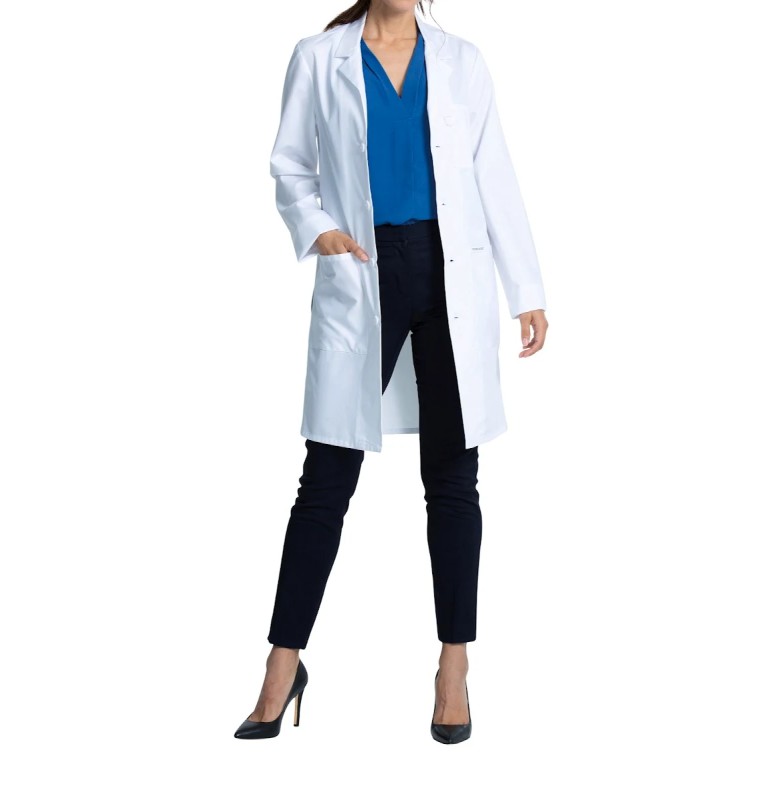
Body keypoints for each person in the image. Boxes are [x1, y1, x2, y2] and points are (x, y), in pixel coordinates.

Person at [234, 0, 548, 744]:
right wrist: (319, 229)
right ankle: (283, 665)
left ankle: (453, 665)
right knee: (326, 478)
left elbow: (492, 173)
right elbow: (289, 163)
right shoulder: (319, 57)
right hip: (363, 269)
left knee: (453, 477)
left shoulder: (462, 60)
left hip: (451, 275)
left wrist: (526, 289)